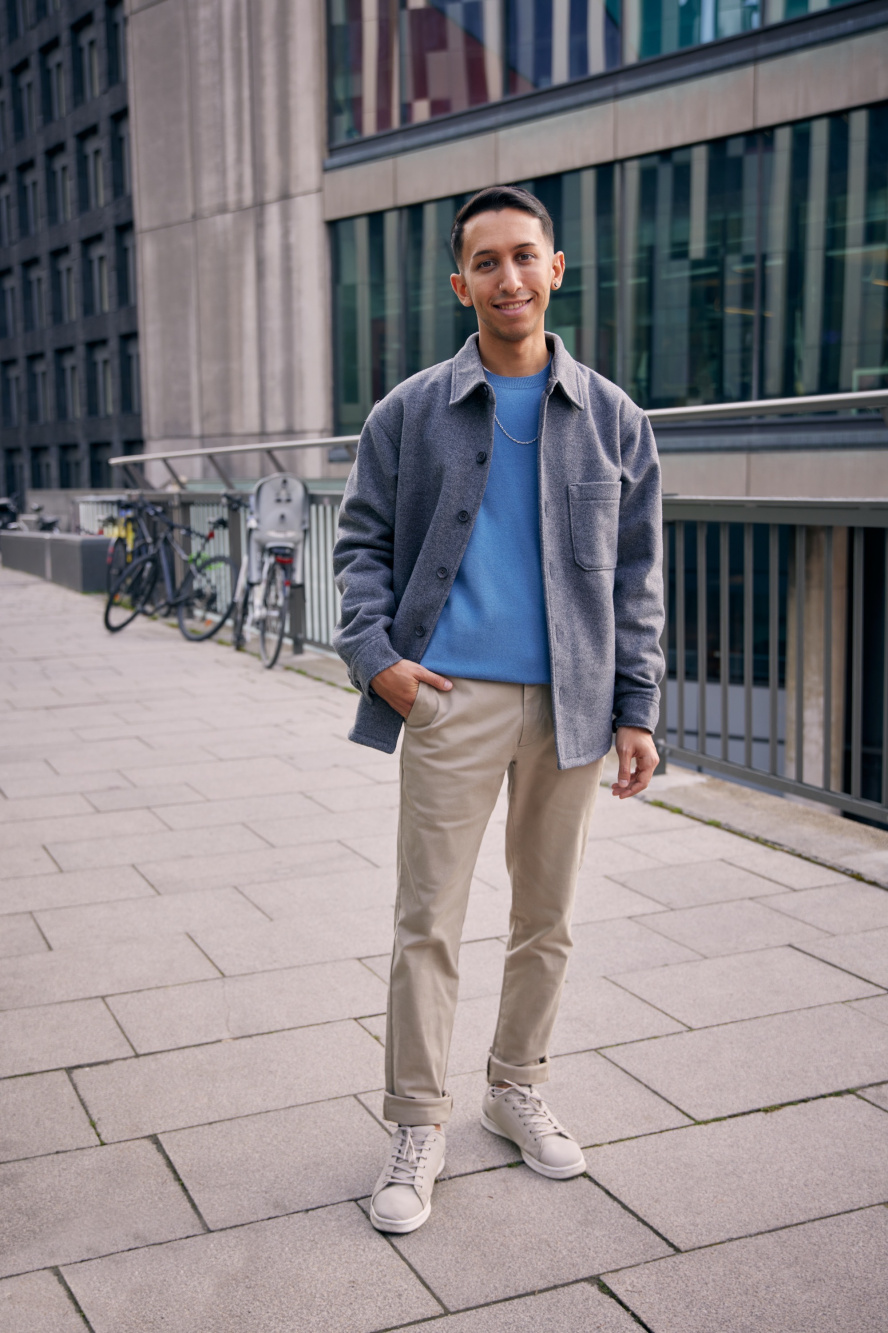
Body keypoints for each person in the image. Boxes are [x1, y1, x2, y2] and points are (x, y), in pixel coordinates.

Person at [333, 185, 664, 1234]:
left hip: (572, 703)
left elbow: (638, 576)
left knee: (546, 919)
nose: (509, 278)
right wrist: (376, 658)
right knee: (427, 919)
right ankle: (417, 1122)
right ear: (459, 281)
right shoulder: (409, 412)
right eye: (487, 262)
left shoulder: (615, 417)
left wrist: (637, 706)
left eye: (526, 256)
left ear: (556, 268)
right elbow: (360, 545)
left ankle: (515, 1086)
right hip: (448, 700)